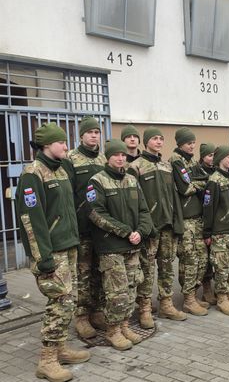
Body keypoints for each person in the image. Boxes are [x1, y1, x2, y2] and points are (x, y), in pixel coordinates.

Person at [17, 122, 90, 382]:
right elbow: (31, 219)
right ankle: (47, 360)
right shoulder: (33, 174)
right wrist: (42, 257)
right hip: (52, 252)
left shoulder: (59, 172)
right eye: (61, 142)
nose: (66, 146)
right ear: (47, 144)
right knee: (60, 302)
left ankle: (60, 348)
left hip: (68, 246)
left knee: (69, 300)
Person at [87, 139, 153, 350]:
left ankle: (125, 326)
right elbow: (96, 213)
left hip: (133, 245)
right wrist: (126, 232)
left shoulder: (132, 180)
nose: (121, 158)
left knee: (132, 287)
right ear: (108, 157)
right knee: (117, 293)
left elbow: (144, 210)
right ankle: (113, 331)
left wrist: (141, 232)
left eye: (123, 155)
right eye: (116, 154)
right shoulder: (97, 181)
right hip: (111, 247)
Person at [128, 126, 186, 328]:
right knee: (146, 269)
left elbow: (174, 196)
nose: (159, 142)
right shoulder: (136, 167)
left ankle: (166, 303)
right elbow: (133, 202)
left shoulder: (166, 165)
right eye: (154, 138)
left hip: (168, 225)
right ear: (146, 142)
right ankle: (144, 308)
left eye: (161, 138)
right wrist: (142, 227)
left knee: (167, 266)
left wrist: (177, 221)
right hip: (149, 228)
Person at [63, 116, 107, 338]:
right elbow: (67, 193)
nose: (93, 135)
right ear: (81, 135)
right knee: (83, 272)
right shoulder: (71, 158)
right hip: (82, 227)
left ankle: (97, 311)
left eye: (97, 132)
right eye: (89, 132)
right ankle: (81, 316)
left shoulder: (102, 158)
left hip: (102, 226)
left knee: (100, 271)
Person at [169, 127, 209, 316]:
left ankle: (194, 294)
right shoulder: (176, 161)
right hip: (185, 221)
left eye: (193, 143)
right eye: (188, 143)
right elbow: (185, 188)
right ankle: (188, 299)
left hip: (198, 218)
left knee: (202, 258)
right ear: (180, 144)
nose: (192, 146)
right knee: (189, 259)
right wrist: (198, 183)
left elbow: (205, 179)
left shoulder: (192, 160)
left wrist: (197, 183)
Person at [202, 146, 229, 315]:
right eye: (228, 157)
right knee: (222, 267)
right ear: (220, 159)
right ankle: (221, 297)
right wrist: (208, 232)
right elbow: (209, 208)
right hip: (220, 232)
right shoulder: (214, 181)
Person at [191, 143, 217, 305]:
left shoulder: (218, 171)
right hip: (201, 218)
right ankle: (205, 289)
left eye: (214, 155)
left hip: (215, 218)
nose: (212, 158)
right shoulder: (197, 172)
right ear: (202, 157)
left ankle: (211, 288)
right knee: (203, 258)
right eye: (209, 155)